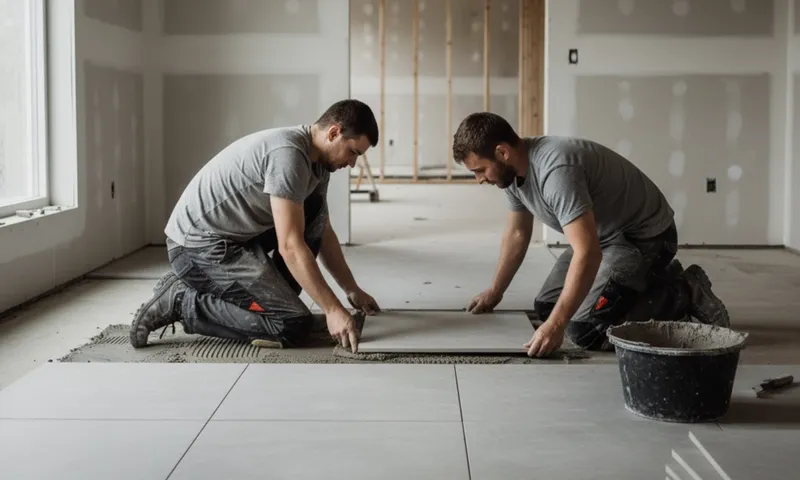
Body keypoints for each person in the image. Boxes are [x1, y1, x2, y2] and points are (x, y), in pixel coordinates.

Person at [452, 112, 730, 358]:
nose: (480, 179)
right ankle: (641, 286)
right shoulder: (513, 175)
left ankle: (682, 292)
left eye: (480, 170)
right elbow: (517, 234)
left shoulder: (555, 170)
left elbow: (587, 253)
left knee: (584, 330)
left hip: (645, 238)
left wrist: (557, 326)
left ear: (502, 152)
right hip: (603, 237)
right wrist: (495, 292)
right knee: (548, 307)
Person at [130, 99, 381, 353]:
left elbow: (322, 231)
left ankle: (273, 305)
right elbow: (290, 246)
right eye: (353, 152)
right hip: (196, 248)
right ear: (334, 133)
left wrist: (351, 289)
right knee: (291, 325)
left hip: (236, 237)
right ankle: (181, 301)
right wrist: (332, 309)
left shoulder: (319, 165)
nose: (352, 164)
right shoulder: (289, 156)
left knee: (315, 215)